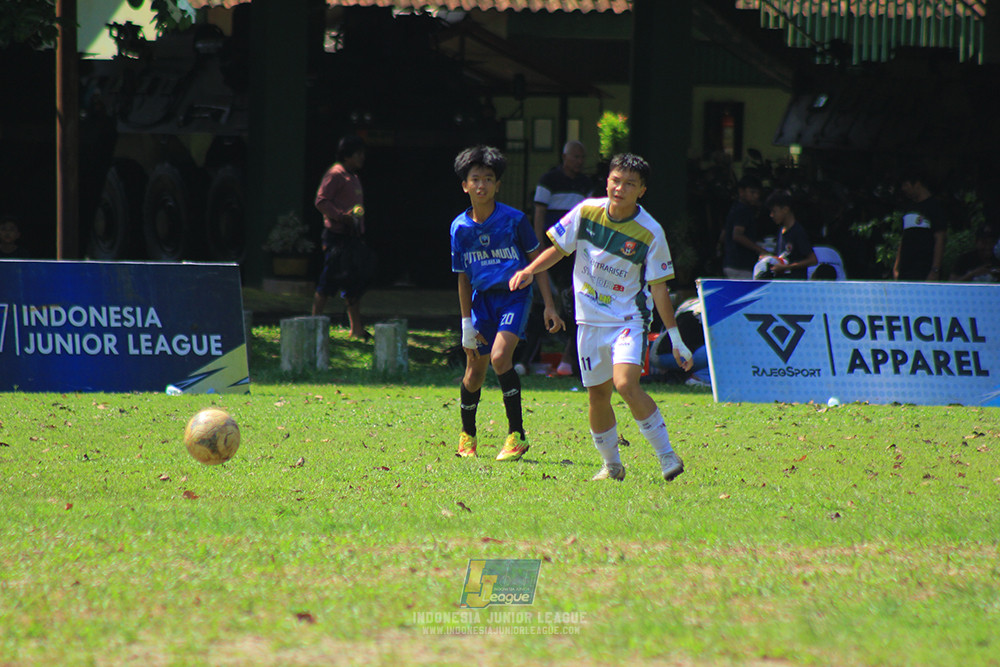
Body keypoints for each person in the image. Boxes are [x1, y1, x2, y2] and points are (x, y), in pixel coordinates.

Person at [509, 153, 694, 483]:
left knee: (625, 384)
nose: (620, 188)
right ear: (607, 181)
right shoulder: (586, 211)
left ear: (642, 191)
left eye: (630, 184)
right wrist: (529, 271)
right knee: (597, 395)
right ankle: (612, 465)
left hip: (628, 321)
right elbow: (559, 249)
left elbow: (659, 288)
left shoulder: (651, 232)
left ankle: (667, 455)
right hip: (589, 321)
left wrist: (676, 338)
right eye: (616, 180)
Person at [451, 145, 564, 461]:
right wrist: (466, 324)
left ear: (498, 185)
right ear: (465, 185)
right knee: (474, 373)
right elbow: (462, 278)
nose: (482, 185)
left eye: (488, 179)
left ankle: (517, 435)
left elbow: (537, 262)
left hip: (515, 296)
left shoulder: (514, 220)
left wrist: (550, 306)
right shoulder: (459, 228)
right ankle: (467, 437)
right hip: (481, 302)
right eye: (475, 179)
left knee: (500, 357)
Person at [518, 140, 593, 376]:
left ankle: (570, 360)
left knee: (575, 303)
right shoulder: (549, 180)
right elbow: (539, 214)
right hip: (551, 249)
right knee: (544, 302)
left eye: (582, 157)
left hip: (576, 253)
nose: (579, 161)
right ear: (564, 156)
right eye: (575, 156)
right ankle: (527, 359)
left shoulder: (586, 184)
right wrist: (538, 248)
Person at [312, 135, 375, 339]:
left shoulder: (353, 176)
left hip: (351, 238)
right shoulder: (335, 174)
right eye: (358, 154)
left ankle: (356, 328)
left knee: (353, 282)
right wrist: (341, 216)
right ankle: (313, 324)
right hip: (336, 237)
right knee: (327, 281)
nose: (362, 157)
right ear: (347, 155)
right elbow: (321, 201)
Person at [893, 167, 948, 281]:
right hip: (906, 271)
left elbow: (940, 238)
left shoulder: (935, 206)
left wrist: (935, 270)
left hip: (924, 269)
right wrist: (896, 267)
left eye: (906, 185)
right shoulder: (908, 208)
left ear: (917, 184)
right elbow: (904, 238)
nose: (904, 189)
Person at [719, 174, 769, 278]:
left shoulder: (734, 208)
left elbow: (723, 236)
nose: (756, 196)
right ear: (741, 191)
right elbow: (737, 235)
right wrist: (761, 250)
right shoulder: (743, 210)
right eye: (752, 192)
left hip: (730, 263)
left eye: (757, 193)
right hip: (741, 265)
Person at [763, 190, 817, 280]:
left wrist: (787, 267)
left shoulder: (798, 231)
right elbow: (783, 256)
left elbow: (813, 260)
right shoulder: (781, 231)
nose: (771, 215)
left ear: (785, 210)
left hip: (795, 282)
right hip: (781, 282)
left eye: (774, 211)